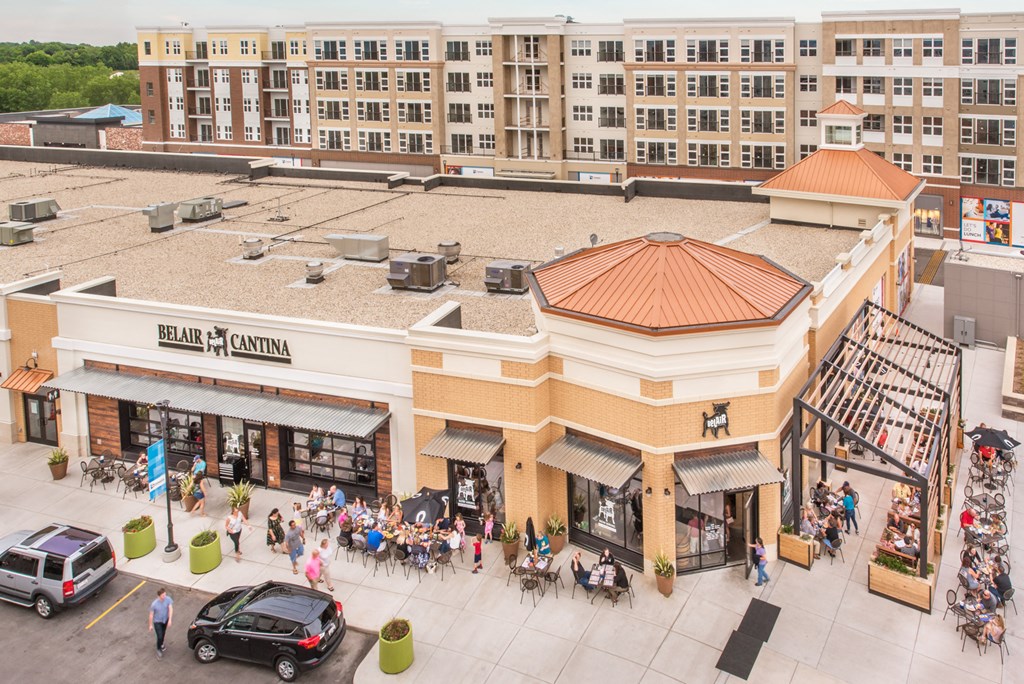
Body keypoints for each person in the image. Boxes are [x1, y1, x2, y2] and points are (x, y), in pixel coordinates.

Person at [148, 588, 173, 659]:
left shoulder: (168, 599)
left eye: (165, 594)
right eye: (163, 595)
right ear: (158, 596)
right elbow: (151, 615)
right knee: (160, 636)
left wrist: (170, 619)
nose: (164, 596)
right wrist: (150, 625)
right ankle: (158, 649)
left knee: (163, 633)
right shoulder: (154, 604)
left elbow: (170, 608)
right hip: (157, 622)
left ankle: (161, 643)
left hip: (165, 620)